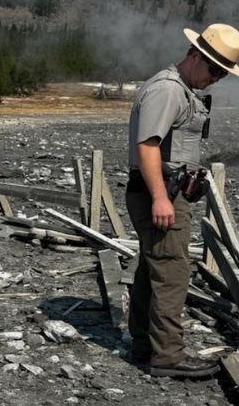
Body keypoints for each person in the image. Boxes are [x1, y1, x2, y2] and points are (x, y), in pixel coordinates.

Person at [126, 23, 239, 378]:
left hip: (166, 191)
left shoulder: (181, 90)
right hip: (161, 193)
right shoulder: (168, 90)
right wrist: (161, 197)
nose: (216, 78)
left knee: (154, 266)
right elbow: (147, 146)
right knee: (172, 271)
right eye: (214, 69)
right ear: (195, 56)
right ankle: (168, 356)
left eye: (223, 73)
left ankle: (145, 344)